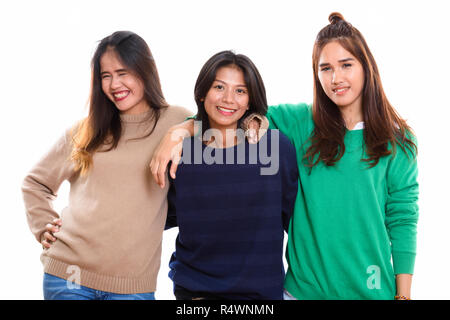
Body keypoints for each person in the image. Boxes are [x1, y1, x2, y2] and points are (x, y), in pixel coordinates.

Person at [150, 13, 419, 300]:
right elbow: (228, 112)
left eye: (346, 65)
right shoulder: (300, 122)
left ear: (366, 67)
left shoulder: (399, 141)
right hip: (300, 292)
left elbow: (403, 219)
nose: (336, 78)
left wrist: (403, 295)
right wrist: (179, 131)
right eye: (325, 68)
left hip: (371, 291)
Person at [21, 31, 192, 300]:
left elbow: (230, 129)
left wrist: (181, 131)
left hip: (133, 287)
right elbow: (35, 182)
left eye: (123, 72)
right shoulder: (86, 130)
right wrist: (44, 226)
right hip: (68, 278)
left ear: (144, 70)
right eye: (105, 75)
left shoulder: (177, 119)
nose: (114, 84)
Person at [163, 50, 298, 300]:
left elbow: (295, 221)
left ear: (250, 100)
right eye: (219, 87)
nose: (228, 99)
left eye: (240, 91)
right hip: (195, 293)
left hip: (261, 297)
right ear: (202, 92)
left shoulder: (275, 148)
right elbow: (155, 216)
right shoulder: (181, 153)